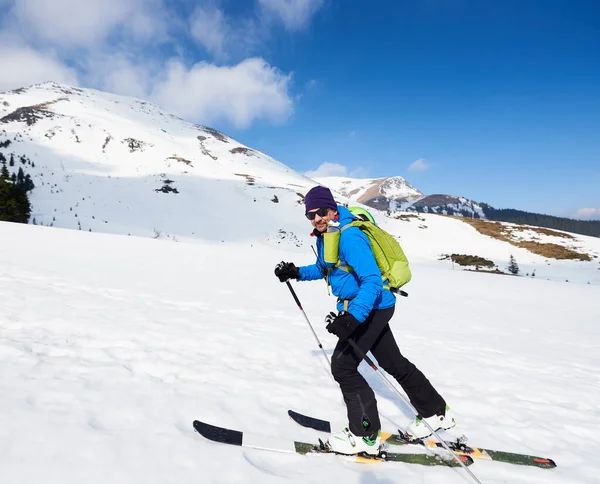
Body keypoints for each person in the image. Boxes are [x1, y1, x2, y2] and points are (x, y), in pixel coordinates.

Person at [274, 185, 455, 455]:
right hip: (373, 306)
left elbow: (371, 280)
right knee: (393, 362)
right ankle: (436, 413)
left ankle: (365, 435)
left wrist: (352, 318)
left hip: (371, 306)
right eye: (311, 215)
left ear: (333, 209)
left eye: (322, 212)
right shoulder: (330, 235)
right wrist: (296, 272)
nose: (317, 218)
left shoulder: (350, 237)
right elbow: (326, 268)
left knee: (343, 365)